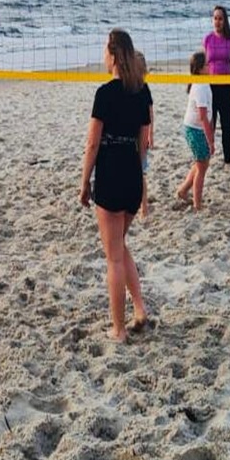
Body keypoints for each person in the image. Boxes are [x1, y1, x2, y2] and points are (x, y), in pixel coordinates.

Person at [79, 29, 152, 342]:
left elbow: (92, 144)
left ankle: (119, 330)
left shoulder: (105, 93)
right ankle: (140, 309)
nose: (102, 55)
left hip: (110, 176)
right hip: (132, 175)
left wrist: (84, 182)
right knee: (119, 247)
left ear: (112, 54)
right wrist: (140, 183)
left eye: (104, 50)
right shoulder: (142, 92)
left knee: (113, 258)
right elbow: (143, 144)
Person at [174, 51, 214, 211]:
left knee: (201, 163)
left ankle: (183, 190)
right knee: (202, 166)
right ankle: (197, 205)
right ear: (199, 69)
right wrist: (210, 141)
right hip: (194, 129)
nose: (210, 66)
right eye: (207, 64)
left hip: (194, 128)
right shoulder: (200, 87)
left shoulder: (202, 83)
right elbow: (203, 117)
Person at [203, 6, 230, 164]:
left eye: (220, 18)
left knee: (226, 126)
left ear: (225, 21)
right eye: (215, 18)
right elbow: (203, 65)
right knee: (210, 124)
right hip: (210, 87)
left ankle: (227, 160)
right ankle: (207, 157)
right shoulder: (208, 39)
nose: (217, 21)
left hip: (225, 87)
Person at [135, 51, 154, 220]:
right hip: (130, 136)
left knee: (140, 173)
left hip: (141, 136)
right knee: (134, 173)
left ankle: (144, 207)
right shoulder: (128, 86)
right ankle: (140, 206)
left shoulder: (143, 88)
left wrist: (150, 135)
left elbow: (150, 113)